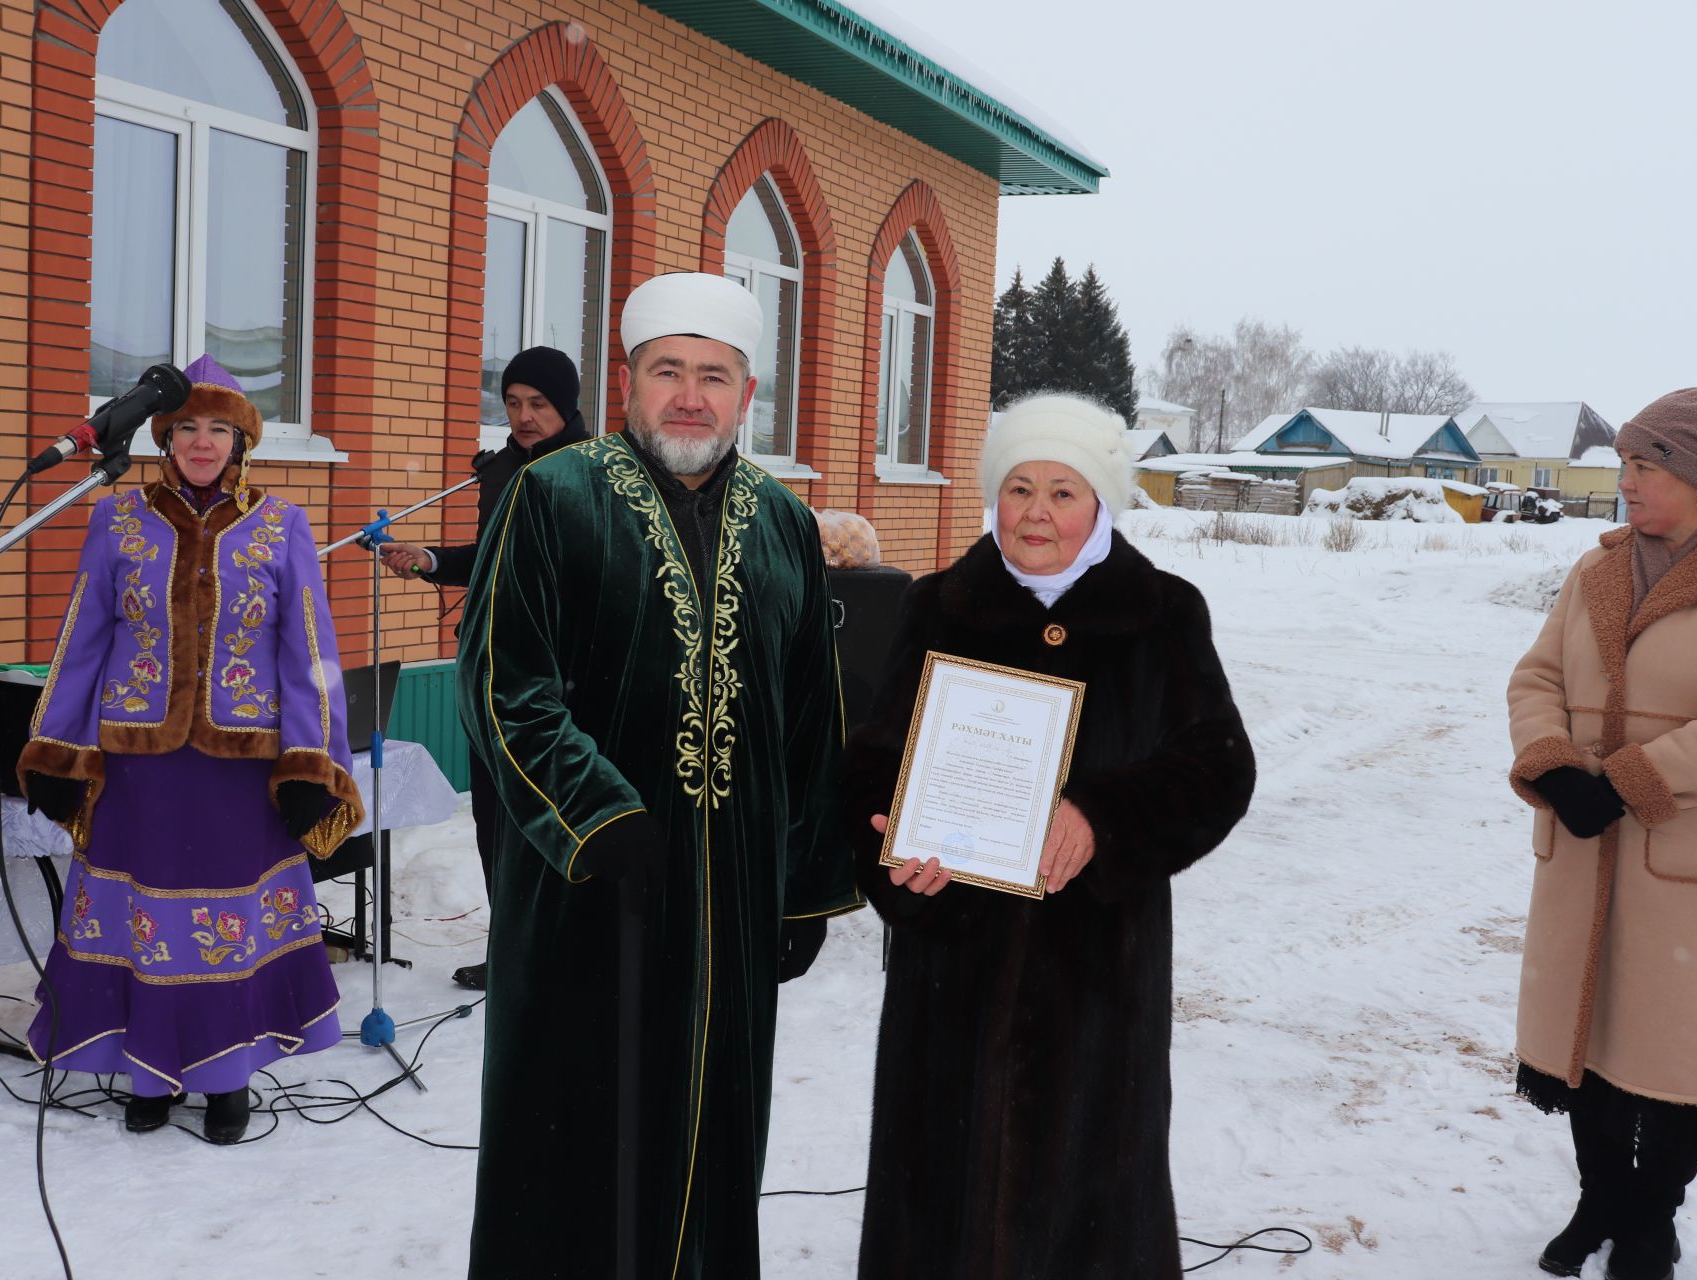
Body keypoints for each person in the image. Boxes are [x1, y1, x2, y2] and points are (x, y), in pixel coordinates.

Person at [455, 272, 860, 1276]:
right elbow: (506, 684)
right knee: (578, 1149)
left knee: (715, 1143)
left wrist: (805, 887)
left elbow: (814, 716)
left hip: (731, 913)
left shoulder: (784, 525)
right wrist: (598, 817)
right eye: (668, 370)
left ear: (747, 393)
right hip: (589, 899)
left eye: (713, 376)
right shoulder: (552, 496)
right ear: (628, 378)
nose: (690, 395)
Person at [841, 393, 1255, 1278]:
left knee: (1087, 1200)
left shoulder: (1163, 615)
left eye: (1064, 492)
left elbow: (1219, 766)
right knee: (940, 1196)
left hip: (1098, 977)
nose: (1037, 512)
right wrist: (891, 853)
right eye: (1019, 487)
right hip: (950, 963)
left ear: (1102, 503)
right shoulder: (937, 606)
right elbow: (873, 762)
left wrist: (1104, 817)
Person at [17, 355, 362, 1144]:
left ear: (242, 443)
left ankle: (225, 1079)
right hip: (140, 766)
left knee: (227, 923)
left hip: (240, 770)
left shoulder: (282, 524)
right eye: (185, 429)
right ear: (163, 438)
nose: (201, 443)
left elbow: (310, 650)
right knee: (145, 920)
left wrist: (312, 761)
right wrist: (57, 750)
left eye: (218, 429)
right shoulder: (117, 519)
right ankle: (147, 1074)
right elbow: (83, 640)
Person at [1507, 387, 1697, 1280]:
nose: (1628, 484)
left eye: (1646, 467)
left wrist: (1636, 781)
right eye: (1625, 466)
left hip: (1689, 857)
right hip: (1580, 845)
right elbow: (1532, 677)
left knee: (1676, 1049)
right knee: (1587, 1040)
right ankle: (1599, 1196)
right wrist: (1553, 760)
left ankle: (1653, 1217)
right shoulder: (1595, 570)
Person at [378, 346, 589, 990]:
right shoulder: (502, 470)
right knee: (496, 819)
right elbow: (492, 558)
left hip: (561, 677)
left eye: (539, 405)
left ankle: (567, 953)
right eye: (514, 403)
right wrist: (432, 560)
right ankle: (513, 951)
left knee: (552, 816)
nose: (524, 417)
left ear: (566, 407)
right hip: (491, 667)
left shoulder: (594, 473)